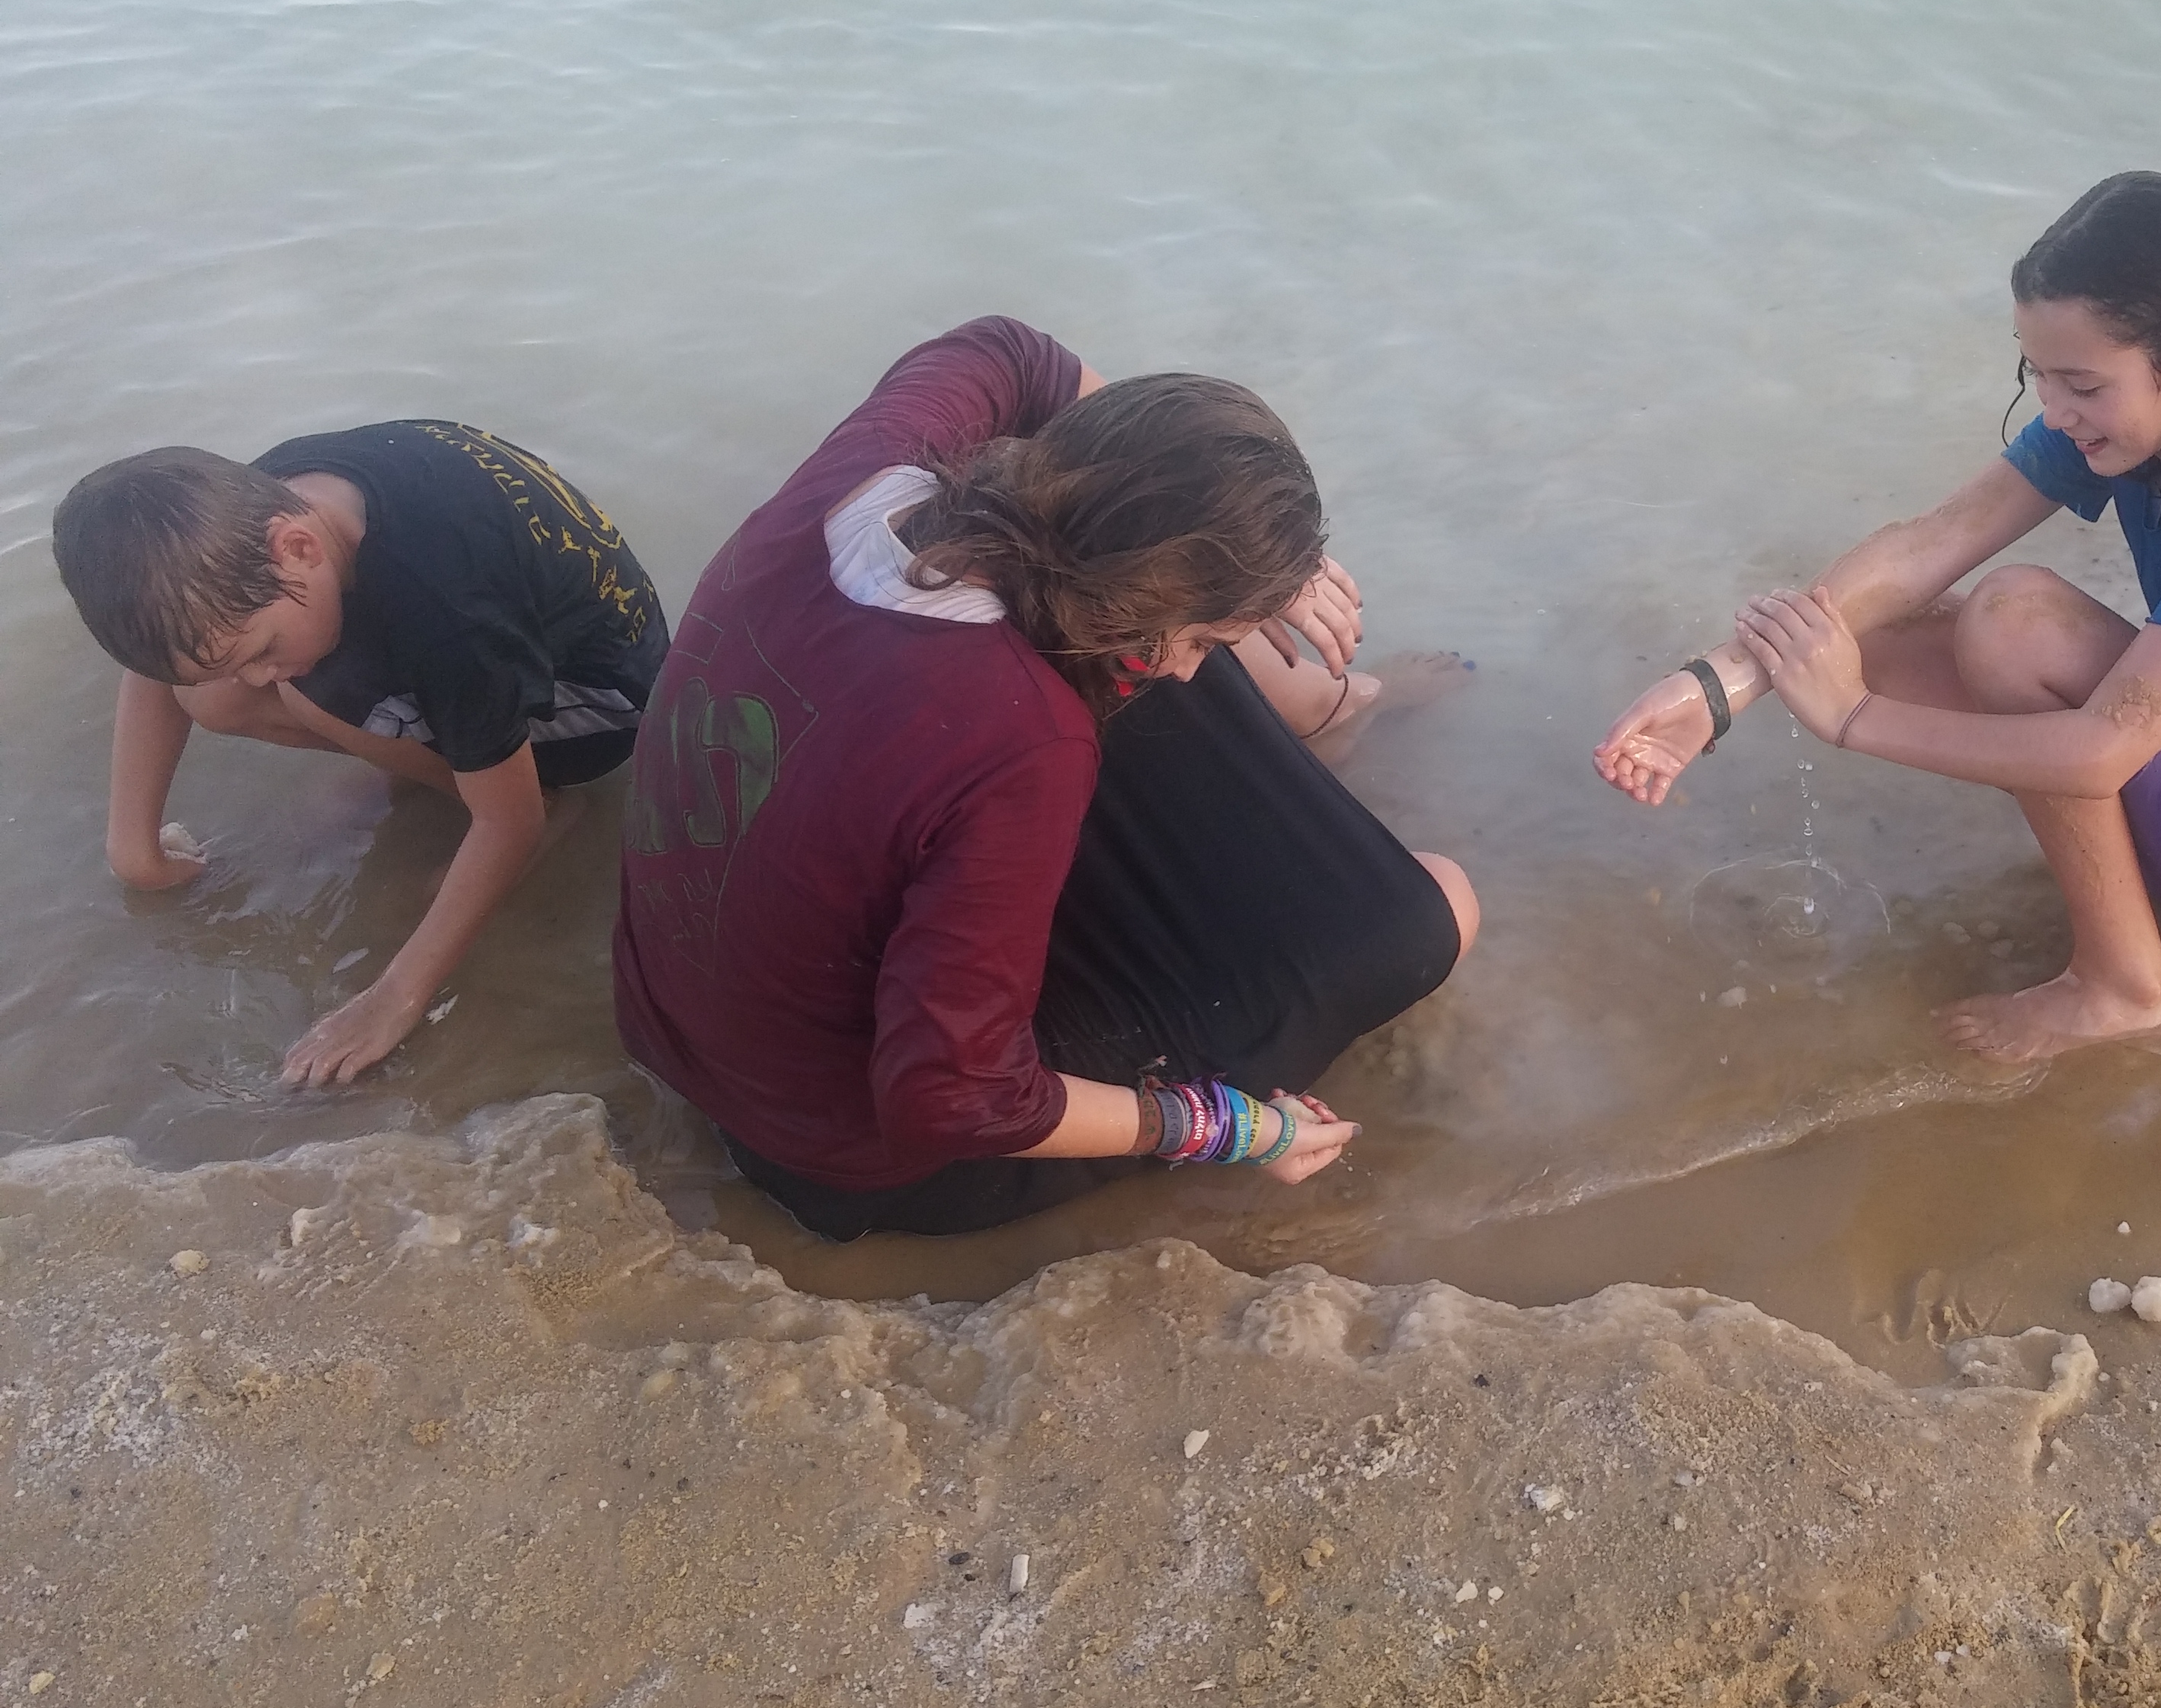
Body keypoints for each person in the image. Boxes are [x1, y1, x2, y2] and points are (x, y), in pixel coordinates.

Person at [613, 317, 1477, 1241]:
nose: (1192, 671)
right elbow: (954, 1098)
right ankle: (1323, 712)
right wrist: (1225, 1127)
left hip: (679, 1022)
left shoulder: (872, 467)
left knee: (1148, 673)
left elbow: (1011, 350)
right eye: (1201, 641)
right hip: (845, 1147)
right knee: (1433, 910)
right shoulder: (1024, 741)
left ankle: (1328, 705)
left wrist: (1252, 544)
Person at [1593, 171, 2161, 1064]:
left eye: (2080, 384)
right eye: (2036, 375)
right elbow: (1928, 545)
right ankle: (2126, 910)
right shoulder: (2137, 422)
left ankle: (2123, 988)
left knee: (2014, 620)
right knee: (1879, 628)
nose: (2054, 411)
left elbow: (2105, 750)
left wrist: (1852, 717)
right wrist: (1718, 687)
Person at [52, 423, 668, 1084]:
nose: (256, 675)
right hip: (500, 639)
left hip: (603, 700)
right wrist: (133, 849)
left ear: (298, 548)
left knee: (311, 694)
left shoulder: (449, 610)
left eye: (261, 651)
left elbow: (509, 824)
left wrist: (394, 996)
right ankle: (434, 764)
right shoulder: (246, 515)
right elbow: (163, 662)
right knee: (216, 696)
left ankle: (534, 792)